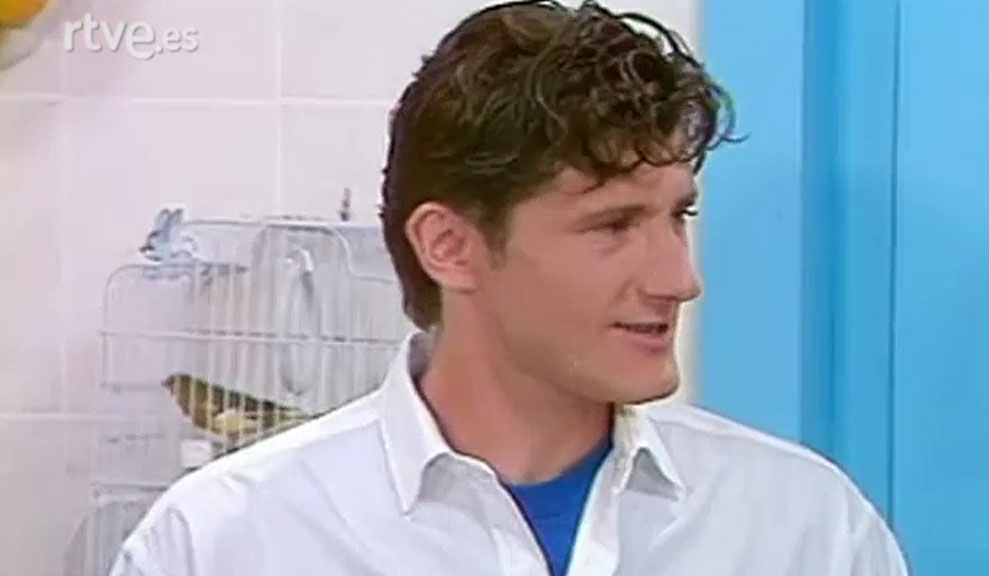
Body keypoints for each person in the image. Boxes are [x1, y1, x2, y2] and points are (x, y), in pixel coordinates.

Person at [109, 1, 910, 574]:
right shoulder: (227, 541)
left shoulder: (803, 530)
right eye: (613, 225)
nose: (680, 279)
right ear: (450, 247)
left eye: (679, 216)